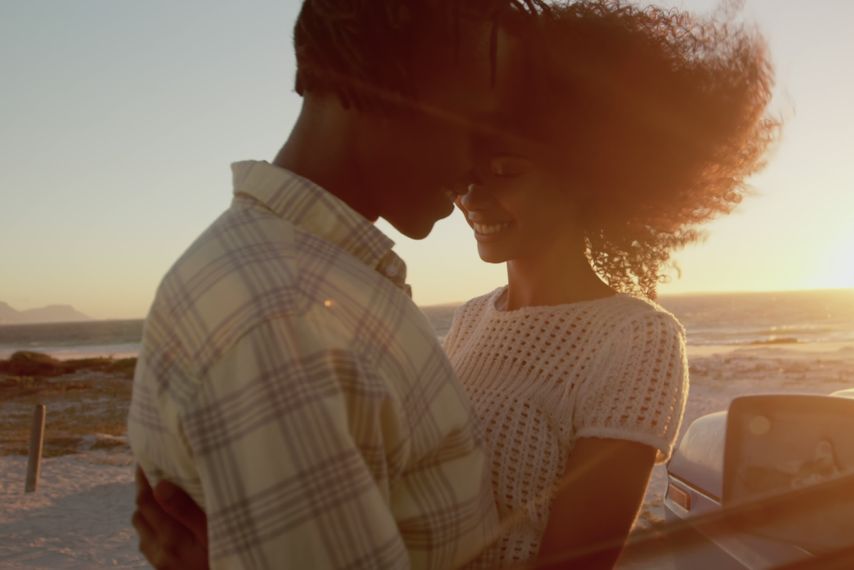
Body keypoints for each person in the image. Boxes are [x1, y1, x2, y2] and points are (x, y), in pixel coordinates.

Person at [134, 1, 776, 568]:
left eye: (504, 167)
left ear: (590, 178)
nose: (472, 186)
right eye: (474, 145)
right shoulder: (453, 317)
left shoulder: (635, 338)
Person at [127, 1, 544, 568]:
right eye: (472, 120)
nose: (478, 165)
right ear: (365, 80)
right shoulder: (288, 320)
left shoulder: (308, 279)